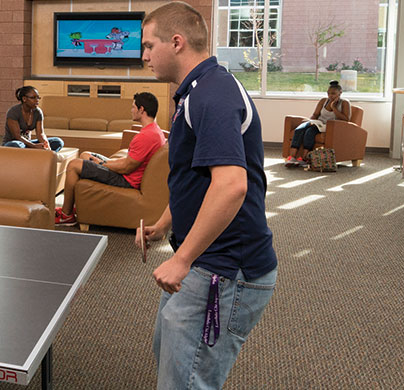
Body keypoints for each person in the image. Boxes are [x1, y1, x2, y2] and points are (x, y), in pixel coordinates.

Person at [131, 3, 276, 389]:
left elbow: (231, 186)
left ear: (176, 43)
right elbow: (196, 180)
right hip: (206, 262)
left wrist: (180, 259)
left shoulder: (212, 95)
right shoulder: (196, 92)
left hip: (226, 270)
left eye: (149, 45)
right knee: (167, 354)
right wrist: (165, 222)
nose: (143, 55)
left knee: (185, 380)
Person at [55, 92, 166, 226]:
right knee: (85, 155)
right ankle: (77, 205)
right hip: (128, 173)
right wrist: (104, 162)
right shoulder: (154, 130)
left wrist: (102, 163)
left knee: (73, 165)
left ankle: (66, 215)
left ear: (141, 109)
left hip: (126, 179)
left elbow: (126, 167)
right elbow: (128, 162)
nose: (131, 110)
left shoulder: (145, 136)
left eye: (133, 107)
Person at [282, 80, 352, 167]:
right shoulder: (323, 101)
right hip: (318, 123)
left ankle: (304, 159)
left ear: (340, 93)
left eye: (333, 93)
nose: (330, 96)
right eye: (329, 93)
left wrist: (333, 107)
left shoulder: (345, 103)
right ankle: (291, 158)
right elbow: (315, 114)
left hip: (330, 126)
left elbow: (346, 119)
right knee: (299, 129)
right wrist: (309, 120)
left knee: (309, 133)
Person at [3, 86, 64, 151]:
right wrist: (34, 146)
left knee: (58, 142)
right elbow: (17, 136)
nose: (37, 100)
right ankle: (33, 152)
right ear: (24, 99)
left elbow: (40, 134)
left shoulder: (37, 112)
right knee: (15, 145)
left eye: (38, 97)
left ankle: (38, 154)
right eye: (33, 98)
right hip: (14, 143)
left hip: (28, 144)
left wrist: (46, 144)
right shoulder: (13, 112)